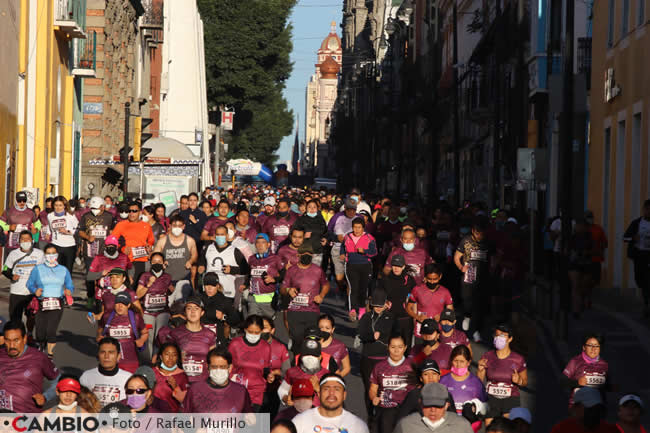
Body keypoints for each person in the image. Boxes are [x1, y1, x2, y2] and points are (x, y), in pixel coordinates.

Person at [357, 287, 399, 418]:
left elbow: (396, 335)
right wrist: (371, 336)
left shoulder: (391, 317)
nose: (378, 308)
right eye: (376, 305)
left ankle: (383, 414)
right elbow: (361, 334)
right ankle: (371, 415)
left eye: (381, 305)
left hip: (385, 358)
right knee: (369, 389)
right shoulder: (365, 317)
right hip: (368, 358)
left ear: (386, 304)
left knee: (385, 388)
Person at [26, 243, 74, 357]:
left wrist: (69, 290)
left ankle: (50, 355)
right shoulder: (38, 269)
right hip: (41, 302)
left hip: (57, 303)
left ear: (57, 255)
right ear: (44, 255)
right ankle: (41, 348)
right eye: (48, 253)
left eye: (53, 253)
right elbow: (29, 283)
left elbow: (70, 285)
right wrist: (35, 290)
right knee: (40, 332)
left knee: (51, 331)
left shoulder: (63, 270)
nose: (51, 256)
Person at [0, 321, 59, 412]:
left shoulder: (39, 357)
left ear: (24, 339)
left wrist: (46, 396)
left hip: (28, 419)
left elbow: (59, 380)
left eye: (16, 340)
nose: (12, 346)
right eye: (8, 340)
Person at [280, 242, 329, 348]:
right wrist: (288, 290)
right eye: (304, 254)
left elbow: (326, 285)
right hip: (294, 311)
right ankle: (296, 361)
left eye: (309, 254)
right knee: (297, 341)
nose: (307, 256)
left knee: (310, 342)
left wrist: (321, 295)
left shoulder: (318, 270)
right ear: (298, 255)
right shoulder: (291, 270)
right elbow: (282, 289)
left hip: (312, 311)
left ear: (312, 256)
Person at [454, 216, 494, 342]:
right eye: (477, 233)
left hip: (483, 277)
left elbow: (494, 258)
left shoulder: (488, 242)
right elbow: (457, 256)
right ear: (473, 231)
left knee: (479, 305)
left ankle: (477, 331)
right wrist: (461, 267)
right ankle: (467, 315)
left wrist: (492, 268)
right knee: (467, 300)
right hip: (468, 276)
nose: (479, 236)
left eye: (481, 233)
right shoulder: (465, 241)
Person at [477, 324, 528, 423]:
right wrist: (480, 370)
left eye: (503, 335)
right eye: (497, 335)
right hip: (491, 397)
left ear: (510, 339)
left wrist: (519, 381)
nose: (498, 338)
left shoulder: (518, 359)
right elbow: (479, 382)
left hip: (511, 398)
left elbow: (525, 381)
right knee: (490, 429)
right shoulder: (487, 356)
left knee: (508, 428)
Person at [291, 373, 369, 433]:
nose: (331, 393)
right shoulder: (300, 421)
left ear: (344, 395)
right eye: (326, 389)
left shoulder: (358, 426)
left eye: (337, 389)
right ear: (319, 393)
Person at [369, 334, 416, 433]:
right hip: (385, 410)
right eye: (393, 347)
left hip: (405, 410)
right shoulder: (379, 366)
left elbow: (418, 388)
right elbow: (373, 388)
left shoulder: (412, 366)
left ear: (405, 348)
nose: (396, 351)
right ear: (388, 347)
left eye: (400, 347)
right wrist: (374, 398)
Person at [165, 296, 217, 383]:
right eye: (189, 308)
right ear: (185, 312)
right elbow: (165, 357)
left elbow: (214, 361)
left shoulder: (210, 334)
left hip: (203, 383)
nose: (192, 311)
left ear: (202, 312)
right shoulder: (175, 333)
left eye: (196, 308)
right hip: (181, 383)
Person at [183, 348, 253, 413]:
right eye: (214, 367)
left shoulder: (241, 391)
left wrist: (251, 420)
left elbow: (248, 417)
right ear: (207, 367)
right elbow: (182, 420)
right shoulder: (195, 390)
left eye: (222, 367)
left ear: (230, 368)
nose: (218, 370)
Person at [228, 315, 274, 411]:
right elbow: (227, 366)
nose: (253, 335)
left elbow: (266, 370)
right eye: (250, 332)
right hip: (237, 390)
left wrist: (270, 376)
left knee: (251, 423)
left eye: (256, 332)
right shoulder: (235, 344)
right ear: (245, 329)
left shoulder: (266, 347)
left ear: (261, 331)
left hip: (256, 393)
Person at [78, 196, 115, 309]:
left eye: (96, 208)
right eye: (92, 208)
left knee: (104, 276)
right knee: (90, 276)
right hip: (89, 251)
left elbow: (113, 232)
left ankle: (103, 298)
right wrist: (88, 237)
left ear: (102, 207)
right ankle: (90, 298)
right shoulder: (86, 216)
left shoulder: (109, 217)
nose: (94, 210)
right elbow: (80, 232)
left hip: (104, 252)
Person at [393, 382, 474, 433]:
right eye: (428, 405)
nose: (433, 410)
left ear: (446, 405)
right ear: (420, 403)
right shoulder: (405, 425)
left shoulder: (462, 426)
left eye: (438, 406)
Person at [98, 292, 147, 373]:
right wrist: (99, 337)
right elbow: (100, 330)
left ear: (128, 305)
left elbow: (145, 332)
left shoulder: (136, 317)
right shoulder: (107, 317)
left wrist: (141, 340)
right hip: (111, 362)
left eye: (123, 304)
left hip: (131, 361)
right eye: (117, 303)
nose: (120, 306)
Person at [199, 224, 250, 303]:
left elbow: (246, 269)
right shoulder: (208, 248)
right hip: (210, 290)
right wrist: (201, 265)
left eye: (222, 234)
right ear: (215, 235)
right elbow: (202, 260)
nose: (220, 237)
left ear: (227, 236)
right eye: (218, 235)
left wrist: (232, 269)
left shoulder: (235, 251)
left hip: (227, 291)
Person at [135, 252, 173, 355]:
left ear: (164, 263)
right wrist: (149, 284)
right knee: (149, 337)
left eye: (159, 261)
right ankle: (148, 362)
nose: (157, 263)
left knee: (160, 337)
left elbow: (171, 291)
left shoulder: (167, 276)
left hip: (162, 312)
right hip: (148, 312)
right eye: (154, 261)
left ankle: (156, 360)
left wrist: (169, 285)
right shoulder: (145, 276)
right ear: (151, 263)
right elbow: (138, 295)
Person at [340, 217, 377, 321]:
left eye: (359, 228)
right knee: (353, 288)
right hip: (351, 265)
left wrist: (365, 251)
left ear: (363, 228)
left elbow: (374, 252)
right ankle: (352, 310)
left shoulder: (370, 238)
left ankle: (361, 309)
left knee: (363, 288)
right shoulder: (347, 237)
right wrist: (342, 254)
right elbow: (343, 247)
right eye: (355, 227)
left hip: (365, 265)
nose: (356, 230)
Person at [3, 230, 43, 324]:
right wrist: (12, 276)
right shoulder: (13, 254)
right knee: (15, 319)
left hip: (32, 291)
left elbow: (44, 270)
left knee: (31, 317)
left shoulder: (39, 254)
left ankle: (29, 334)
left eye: (27, 239)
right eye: (23, 239)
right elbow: (5, 270)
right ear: (19, 241)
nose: (25, 241)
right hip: (17, 291)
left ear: (32, 240)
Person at [153, 214, 197, 299]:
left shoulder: (189, 240)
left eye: (179, 226)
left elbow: (195, 255)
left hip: (184, 278)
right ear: (170, 226)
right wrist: (161, 263)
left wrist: (190, 261)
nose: (177, 228)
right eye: (174, 226)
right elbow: (155, 257)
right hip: (167, 279)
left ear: (184, 226)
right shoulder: (162, 241)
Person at [80, 337, 131, 407]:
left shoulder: (128, 378)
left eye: (111, 352)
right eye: (103, 352)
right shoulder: (86, 376)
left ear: (118, 356)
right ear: (98, 355)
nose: (106, 356)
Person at [278, 339, 331, 407]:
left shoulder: (327, 375)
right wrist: (286, 399)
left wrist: (318, 388)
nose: (310, 358)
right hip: (297, 414)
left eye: (314, 355)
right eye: (306, 354)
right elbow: (282, 389)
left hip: (319, 414)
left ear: (320, 357)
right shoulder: (292, 372)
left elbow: (333, 399)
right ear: (301, 356)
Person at [407, 263, 454, 339]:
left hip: (437, 331)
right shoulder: (417, 289)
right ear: (425, 277)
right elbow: (408, 308)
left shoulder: (445, 292)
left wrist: (442, 316)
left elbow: (450, 310)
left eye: (435, 279)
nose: (432, 282)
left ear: (440, 276)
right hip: (421, 331)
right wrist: (417, 317)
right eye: (429, 279)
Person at [379, 254, 416, 348]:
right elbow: (379, 297)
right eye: (394, 265)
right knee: (389, 346)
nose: (396, 268)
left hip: (406, 318)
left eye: (399, 266)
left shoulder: (410, 280)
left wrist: (415, 316)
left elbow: (415, 299)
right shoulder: (385, 280)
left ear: (403, 266)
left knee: (406, 346)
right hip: (389, 317)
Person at [111, 201, 155, 281]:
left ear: (140, 212)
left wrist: (149, 247)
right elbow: (112, 241)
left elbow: (151, 241)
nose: (131, 213)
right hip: (126, 260)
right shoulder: (121, 225)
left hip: (142, 260)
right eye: (129, 211)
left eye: (134, 211)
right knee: (128, 287)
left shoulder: (146, 226)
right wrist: (122, 248)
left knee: (139, 287)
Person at [562, 333, 609, 407]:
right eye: (590, 345)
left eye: (597, 346)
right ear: (584, 347)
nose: (593, 349)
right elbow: (563, 381)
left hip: (596, 408)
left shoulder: (604, 365)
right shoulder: (575, 361)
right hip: (578, 407)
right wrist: (577, 382)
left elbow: (607, 386)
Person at [440, 345, 487, 415]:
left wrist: (475, 408)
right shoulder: (443, 380)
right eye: (455, 361)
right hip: (448, 422)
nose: (458, 364)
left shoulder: (476, 382)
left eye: (462, 361)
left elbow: (485, 406)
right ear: (451, 361)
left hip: (469, 424)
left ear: (468, 362)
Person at [550, 387, 619, 433]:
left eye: (597, 408)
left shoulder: (610, 430)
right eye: (590, 408)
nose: (594, 413)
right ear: (576, 408)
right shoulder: (561, 429)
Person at [624, 200, 650, 317]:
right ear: (644, 210)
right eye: (647, 209)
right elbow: (625, 238)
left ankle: (647, 305)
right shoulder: (636, 223)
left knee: (647, 280)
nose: (648, 212)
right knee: (640, 279)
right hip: (639, 255)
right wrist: (633, 238)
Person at [247, 233, 283, 318]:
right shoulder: (251, 259)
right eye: (258, 242)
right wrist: (245, 285)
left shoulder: (275, 258)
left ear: (268, 244)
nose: (260, 245)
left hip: (268, 299)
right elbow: (248, 275)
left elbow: (284, 275)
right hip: (253, 297)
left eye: (263, 242)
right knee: (253, 323)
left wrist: (274, 279)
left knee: (267, 325)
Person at [198, 272, 238, 345]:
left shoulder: (224, 300)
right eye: (207, 285)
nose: (209, 288)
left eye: (212, 285)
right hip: (199, 336)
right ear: (204, 286)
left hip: (217, 338)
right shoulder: (198, 299)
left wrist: (223, 317)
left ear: (217, 286)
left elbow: (235, 320)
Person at [331, 198, 359, 298]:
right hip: (338, 249)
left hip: (353, 251)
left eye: (354, 210)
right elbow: (328, 231)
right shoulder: (337, 217)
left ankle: (349, 299)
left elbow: (366, 235)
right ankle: (342, 289)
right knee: (339, 278)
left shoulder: (359, 218)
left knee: (350, 278)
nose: (351, 212)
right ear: (345, 208)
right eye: (349, 209)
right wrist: (336, 237)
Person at [152, 342, 188, 412]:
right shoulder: (152, 372)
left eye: (174, 355)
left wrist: (175, 388)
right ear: (161, 357)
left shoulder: (182, 376)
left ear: (177, 357)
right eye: (167, 354)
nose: (170, 358)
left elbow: (187, 402)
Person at [47, 196, 79, 273]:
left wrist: (67, 231)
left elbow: (78, 229)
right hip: (56, 244)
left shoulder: (70, 216)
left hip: (69, 246)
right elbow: (49, 226)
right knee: (56, 270)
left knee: (67, 271)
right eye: (56, 205)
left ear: (64, 206)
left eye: (60, 205)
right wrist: (48, 233)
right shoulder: (50, 215)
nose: (58, 208)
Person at [294, 200, 328, 266]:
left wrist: (326, 239)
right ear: (306, 208)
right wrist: (303, 236)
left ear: (317, 209)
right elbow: (293, 234)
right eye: (309, 207)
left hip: (317, 251)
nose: (312, 209)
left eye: (314, 207)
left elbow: (326, 232)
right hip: (304, 251)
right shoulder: (301, 220)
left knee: (315, 272)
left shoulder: (321, 219)